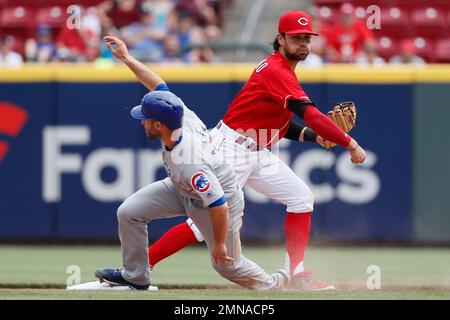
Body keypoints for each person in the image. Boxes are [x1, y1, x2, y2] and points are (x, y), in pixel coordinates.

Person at [105, 9, 366, 291]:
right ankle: (140, 268)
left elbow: (281, 123)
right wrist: (348, 143)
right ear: (280, 38)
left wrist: (316, 138)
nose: (303, 43)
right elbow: (310, 114)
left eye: (307, 38)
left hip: (258, 149)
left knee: (302, 198)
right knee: (203, 225)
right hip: (229, 150)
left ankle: (297, 273)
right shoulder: (278, 70)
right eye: (296, 37)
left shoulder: (282, 72)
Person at [95, 36, 289, 291]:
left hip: (218, 200)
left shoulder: (190, 160)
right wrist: (126, 58)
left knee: (227, 265)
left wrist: (218, 244)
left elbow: (218, 205)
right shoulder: (177, 113)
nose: (142, 121)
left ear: (158, 125)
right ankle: (136, 276)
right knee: (129, 212)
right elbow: (157, 85)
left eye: (145, 118)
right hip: (181, 188)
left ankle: (276, 284)